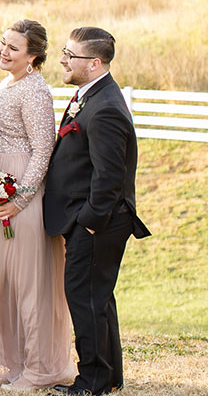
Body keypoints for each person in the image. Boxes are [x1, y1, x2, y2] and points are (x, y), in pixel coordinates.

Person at [45, 27, 151, 396]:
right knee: (98, 298)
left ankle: (91, 382)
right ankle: (108, 376)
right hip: (90, 218)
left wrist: (89, 222)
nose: (62, 60)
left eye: (69, 55)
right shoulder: (91, 95)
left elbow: (110, 177)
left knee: (85, 298)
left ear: (94, 63)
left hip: (97, 222)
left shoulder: (105, 107)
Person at [0, 19, 75, 390]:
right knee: (6, 281)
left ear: (32, 56)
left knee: (30, 282)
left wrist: (20, 199)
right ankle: (16, 361)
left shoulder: (35, 91)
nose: (4, 51)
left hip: (21, 194)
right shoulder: (8, 83)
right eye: (3, 43)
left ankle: (39, 367)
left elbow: (43, 149)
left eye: (13, 48)